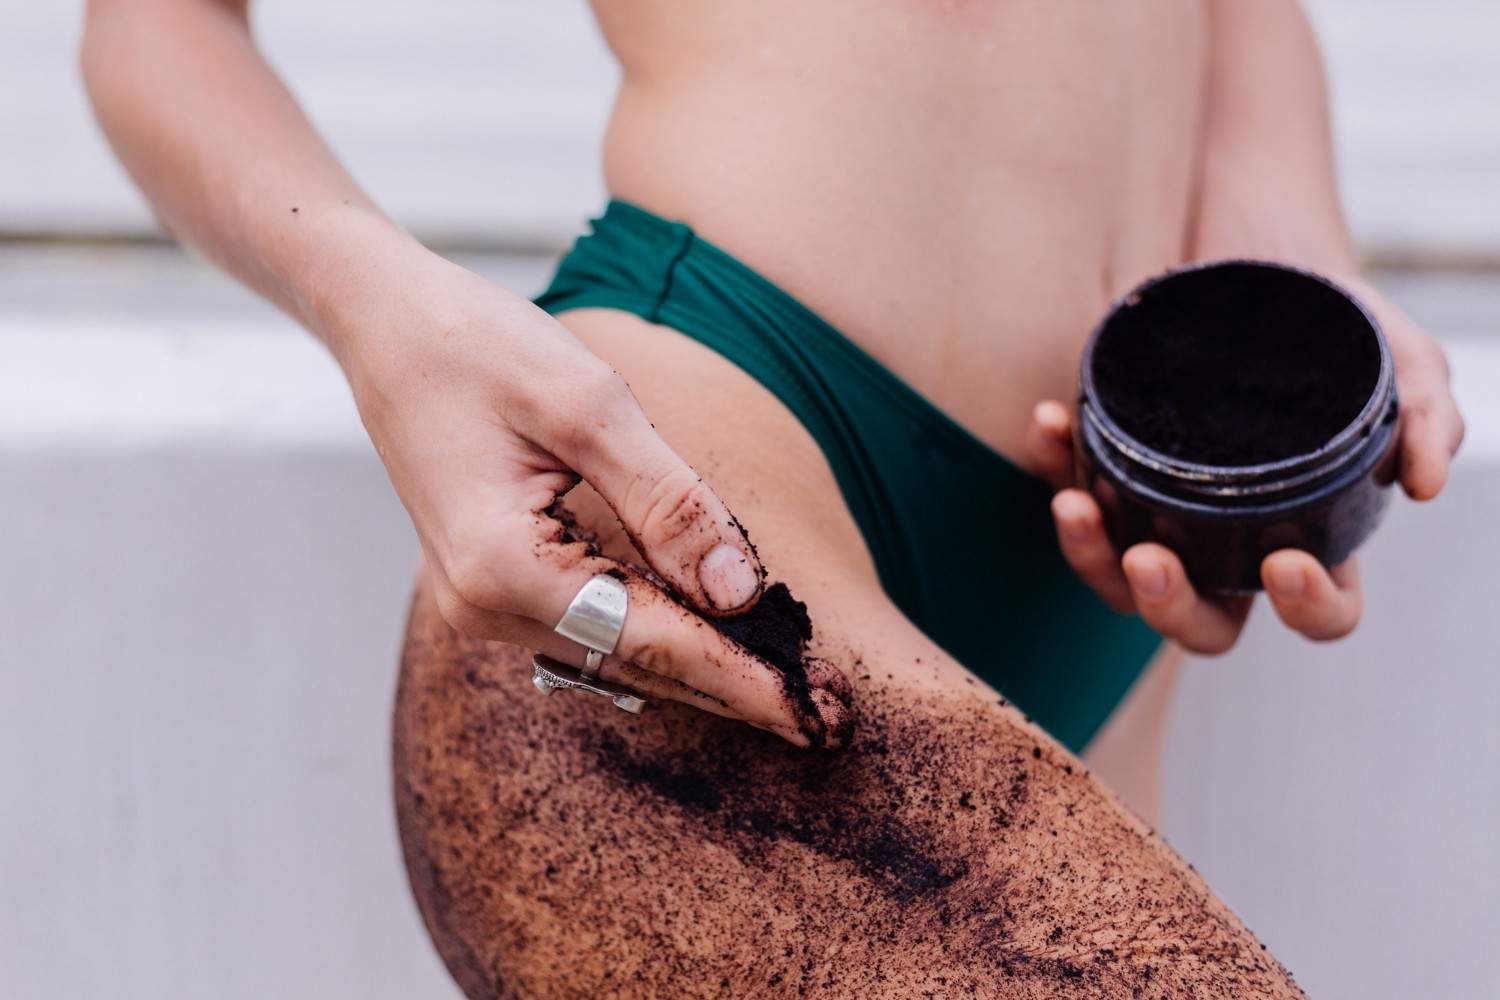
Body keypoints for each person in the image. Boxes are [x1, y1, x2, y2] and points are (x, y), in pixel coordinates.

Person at [83, 0, 1463, 994]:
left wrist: (1280, 231)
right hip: (703, 485)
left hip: (1111, 543)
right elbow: (152, 24)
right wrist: (377, 310)